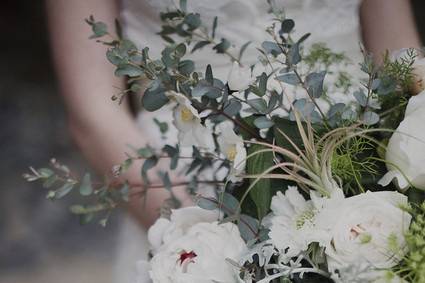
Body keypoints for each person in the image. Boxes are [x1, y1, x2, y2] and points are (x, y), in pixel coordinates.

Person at [46, 0, 422, 282]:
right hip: (186, 185)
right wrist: (219, 250)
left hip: (364, 177)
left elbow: (399, 51)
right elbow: (94, 116)